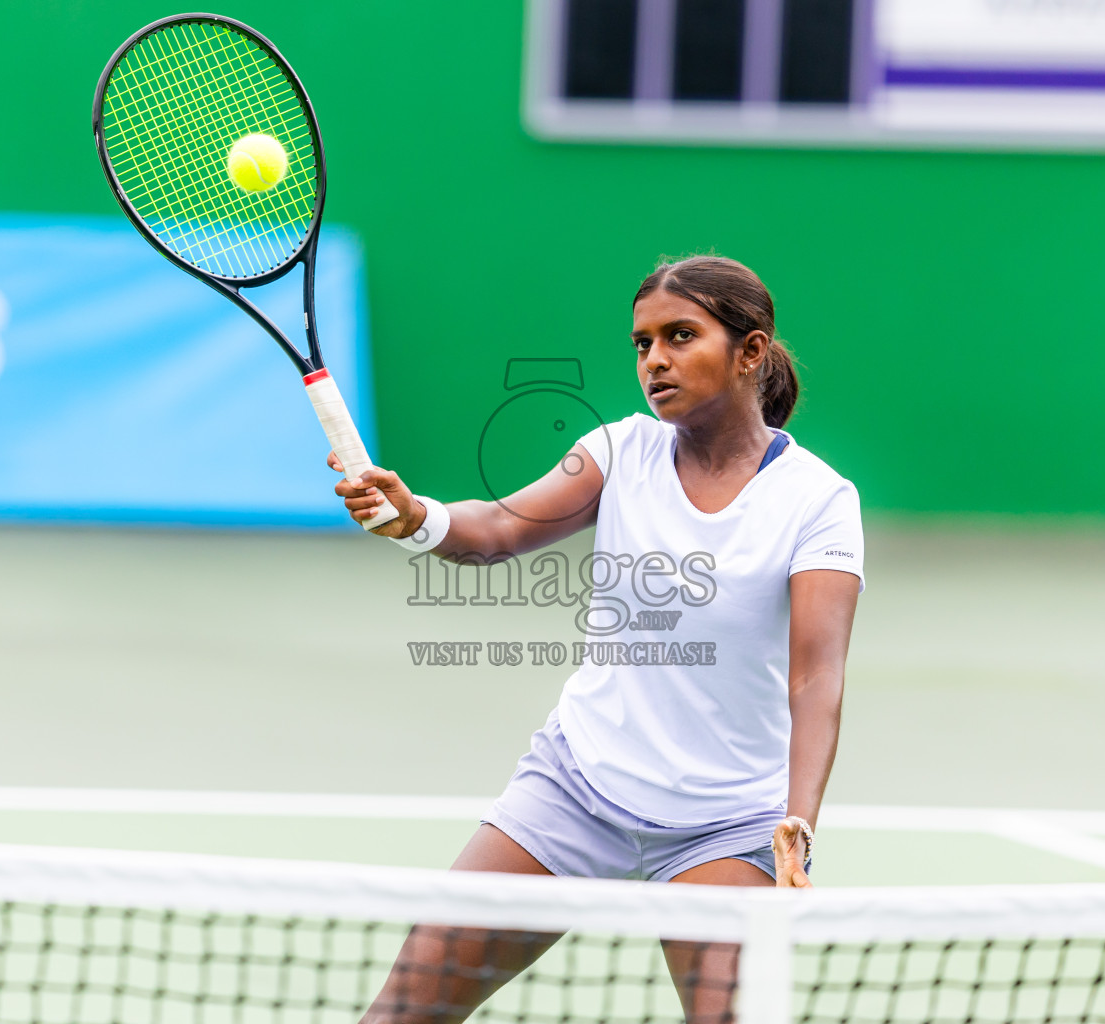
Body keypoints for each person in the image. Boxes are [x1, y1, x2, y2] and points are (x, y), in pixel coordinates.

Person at [328, 256, 864, 1024]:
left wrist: (799, 821)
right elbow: (505, 525)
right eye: (643, 343)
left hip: (724, 823)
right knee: (403, 1013)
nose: (656, 360)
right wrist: (419, 517)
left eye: (681, 336)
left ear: (751, 351)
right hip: (577, 787)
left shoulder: (819, 501)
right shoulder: (620, 449)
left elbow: (816, 680)